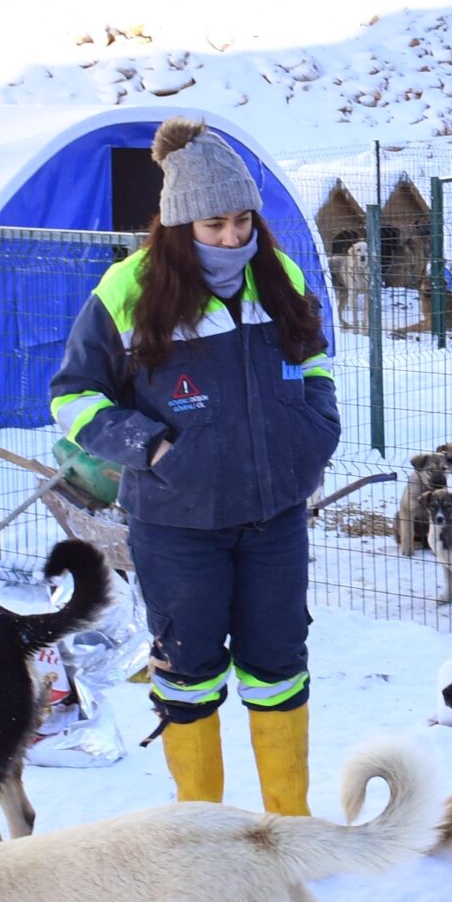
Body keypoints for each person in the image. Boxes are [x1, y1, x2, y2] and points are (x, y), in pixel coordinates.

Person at [49, 118, 339, 815]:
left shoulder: (281, 275)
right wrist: (150, 448)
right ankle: (200, 831)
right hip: (178, 525)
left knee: (278, 669)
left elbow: (314, 359)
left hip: (274, 519)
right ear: (180, 223)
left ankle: (288, 825)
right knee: (189, 672)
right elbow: (73, 395)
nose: (235, 238)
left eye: (243, 221)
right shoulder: (128, 291)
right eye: (215, 224)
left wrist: (315, 425)